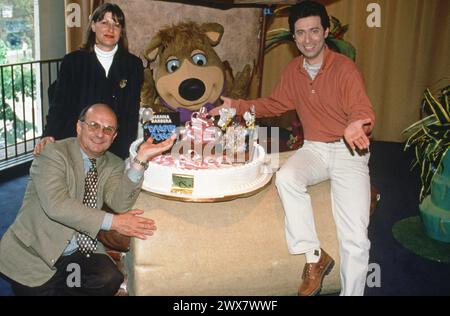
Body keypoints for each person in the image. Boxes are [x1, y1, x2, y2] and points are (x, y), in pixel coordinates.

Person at [210, 0, 375, 296]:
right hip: (314, 148)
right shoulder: (293, 71)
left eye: (314, 31)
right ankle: (314, 255)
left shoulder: (345, 69)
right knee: (286, 178)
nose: (308, 39)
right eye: (300, 33)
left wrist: (357, 124)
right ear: (294, 37)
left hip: (348, 151)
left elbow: (361, 109)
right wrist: (236, 106)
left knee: (355, 239)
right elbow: (274, 104)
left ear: (326, 32)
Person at [0, 103, 175, 296]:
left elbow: (119, 202)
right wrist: (114, 222)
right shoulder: (53, 153)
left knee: (108, 278)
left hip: (75, 252)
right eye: (93, 125)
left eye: (108, 129)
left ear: (114, 136)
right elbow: (57, 206)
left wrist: (140, 159)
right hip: (36, 254)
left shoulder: (113, 163)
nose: (100, 134)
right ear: (79, 127)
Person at [34, 3, 144, 160]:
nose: (110, 29)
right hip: (77, 145)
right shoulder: (73, 62)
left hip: (115, 147)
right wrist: (49, 133)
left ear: (121, 31)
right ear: (93, 26)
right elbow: (60, 105)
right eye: (104, 22)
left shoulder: (133, 65)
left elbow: (131, 113)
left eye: (116, 24)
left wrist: (127, 150)